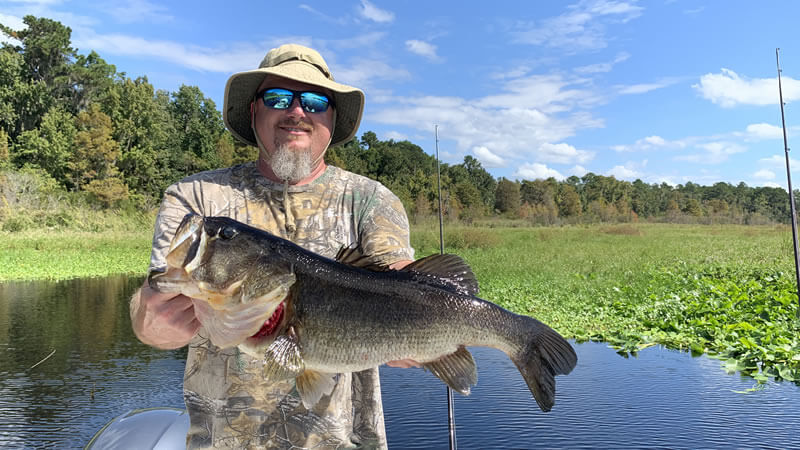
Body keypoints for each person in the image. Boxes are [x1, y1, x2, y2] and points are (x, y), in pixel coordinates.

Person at [130, 44, 416, 449]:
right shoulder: (197, 198)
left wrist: (420, 308)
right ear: (254, 112)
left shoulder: (370, 200)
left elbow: (397, 275)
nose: (297, 112)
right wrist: (151, 319)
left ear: (332, 119)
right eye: (278, 98)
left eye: (315, 101)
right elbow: (152, 316)